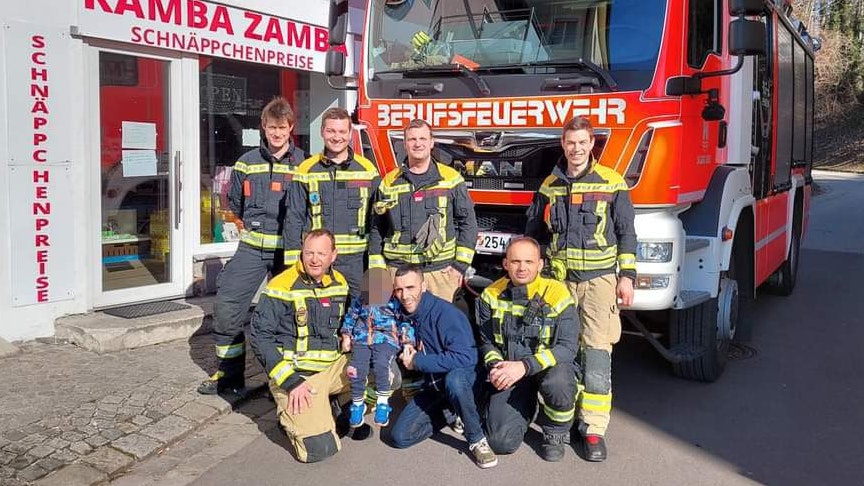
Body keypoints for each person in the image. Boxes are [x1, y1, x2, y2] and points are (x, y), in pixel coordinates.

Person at [525, 116, 637, 462]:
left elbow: (627, 233)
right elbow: (535, 234)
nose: (576, 149)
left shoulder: (611, 183)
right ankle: (561, 421)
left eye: (582, 143)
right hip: (558, 283)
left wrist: (627, 275)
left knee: (596, 355)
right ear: (563, 144)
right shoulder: (549, 186)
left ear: (592, 145)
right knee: (559, 351)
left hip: (599, 282)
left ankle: (592, 430)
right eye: (570, 142)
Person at [198, 97, 308, 397]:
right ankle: (230, 376)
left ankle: (286, 378)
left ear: (291, 128)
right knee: (226, 308)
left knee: (289, 314)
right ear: (263, 126)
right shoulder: (247, 162)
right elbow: (234, 204)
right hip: (252, 250)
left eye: (282, 128)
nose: (276, 133)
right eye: (271, 127)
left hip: (289, 252)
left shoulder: (305, 164)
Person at [250, 229, 363, 463]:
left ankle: (338, 408)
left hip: (332, 368)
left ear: (333, 255)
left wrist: (350, 335)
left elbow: (349, 322)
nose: (314, 259)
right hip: (298, 376)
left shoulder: (340, 282)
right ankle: (293, 417)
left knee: (385, 372)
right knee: (319, 450)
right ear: (302, 253)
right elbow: (261, 337)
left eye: (321, 253)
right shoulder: (282, 285)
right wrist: (291, 382)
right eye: (309, 252)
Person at [476, 237, 580, 462]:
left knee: (559, 382)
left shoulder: (557, 294)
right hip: (510, 371)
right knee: (499, 443)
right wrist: (496, 366)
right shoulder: (490, 295)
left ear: (540, 265)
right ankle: (528, 406)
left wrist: (525, 366)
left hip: (546, 368)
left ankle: (555, 432)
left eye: (528, 262)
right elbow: (486, 342)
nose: (522, 268)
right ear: (505, 264)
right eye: (515, 262)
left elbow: (568, 348)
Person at [387, 265, 498, 469]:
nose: (404, 295)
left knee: (454, 381)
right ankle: (454, 411)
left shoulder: (445, 314)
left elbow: (466, 358)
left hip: (464, 377)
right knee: (399, 437)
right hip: (434, 385)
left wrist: (417, 362)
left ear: (423, 286)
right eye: (399, 290)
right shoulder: (397, 313)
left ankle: (476, 438)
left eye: (410, 287)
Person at [368, 119, 478, 303]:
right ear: (404, 144)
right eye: (412, 139)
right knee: (397, 328)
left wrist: (460, 265)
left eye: (422, 138)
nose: (417, 144)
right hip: (398, 272)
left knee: (437, 327)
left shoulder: (451, 179)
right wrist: (378, 271)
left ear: (432, 142)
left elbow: (468, 223)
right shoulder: (389, 182)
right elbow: (376, 228)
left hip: (439, 273)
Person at [284, 107, 380, 297]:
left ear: (350, 133)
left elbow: (378, 221)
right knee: (319, 317)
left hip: (358, 263)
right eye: (331, 131)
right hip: (319, 262)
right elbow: (293, 217)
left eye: (342, 131)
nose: (337, 137)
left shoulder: (368, 170)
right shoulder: (306, 170)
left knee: (361, 317)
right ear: (322, 132)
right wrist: (294, 260)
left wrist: (376, 260)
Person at [339, 268, 415, 428]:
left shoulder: (394, 301)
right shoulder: (362, 299)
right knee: (356, 368)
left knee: (382, 365)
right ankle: (358, 403)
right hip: (362, 336)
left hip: (386, 337)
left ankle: (382, 402)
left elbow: (404, 321)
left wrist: (407, 341)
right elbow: (351, 316)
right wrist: (346, 335)